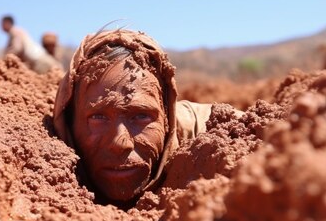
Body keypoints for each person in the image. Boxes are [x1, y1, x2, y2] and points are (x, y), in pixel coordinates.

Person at [53, 29, 240, 206]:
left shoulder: (212, 130)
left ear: (167, 118)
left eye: (141, 116)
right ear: (69, 122)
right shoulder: (46, 155)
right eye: (98, 117)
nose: (120, 144)